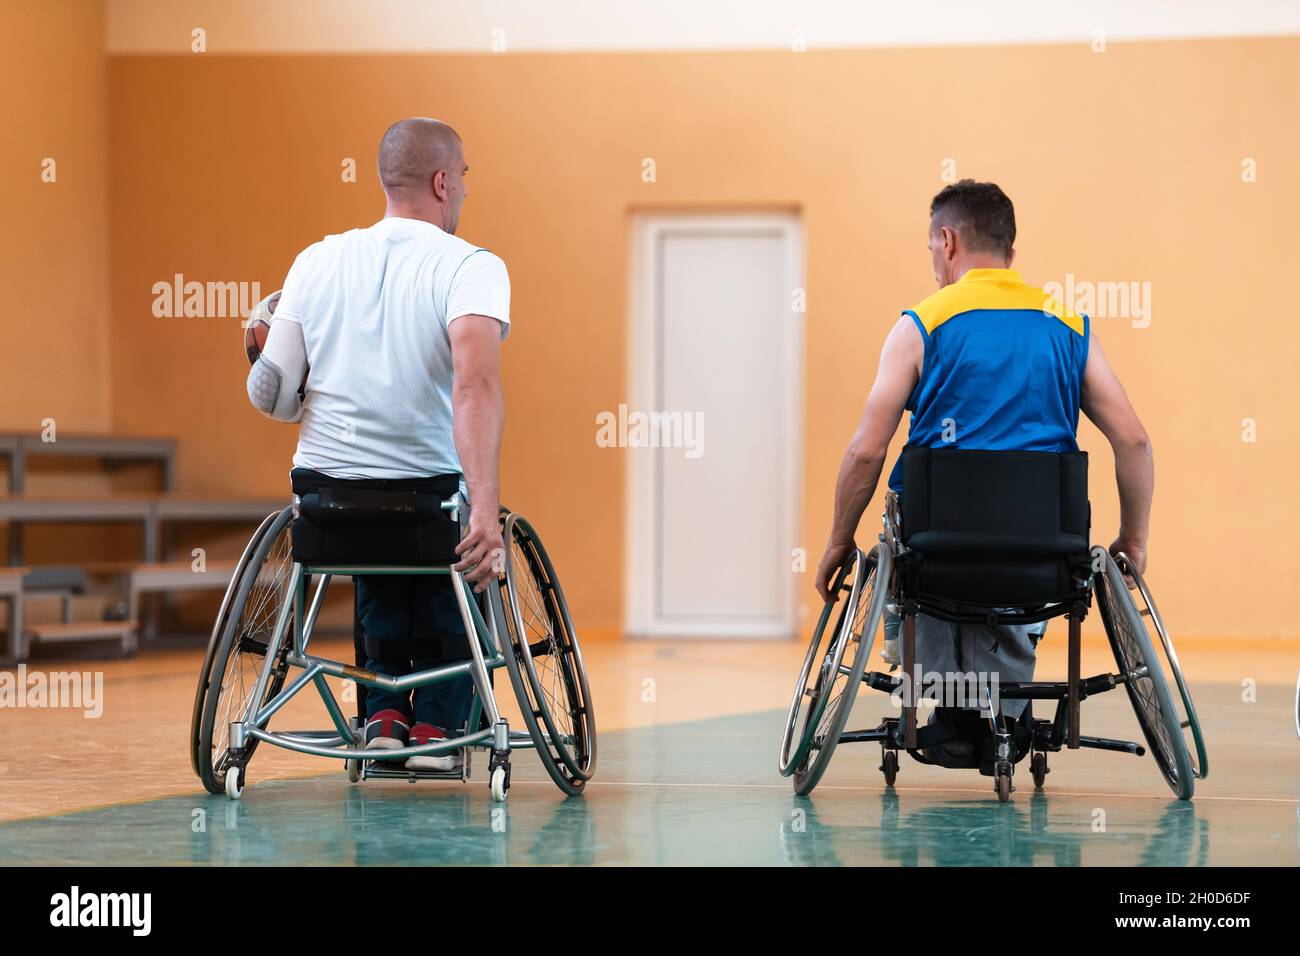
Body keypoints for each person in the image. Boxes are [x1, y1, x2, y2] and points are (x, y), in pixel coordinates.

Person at [814, 179, 1154, 761]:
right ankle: (1006, 710)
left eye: (930, 251)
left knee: (914, 537)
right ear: (1010, 255)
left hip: (935, 562)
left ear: (946, 242)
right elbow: (1134, 440)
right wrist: (1135, 540)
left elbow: (866, 453)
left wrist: (837, 541)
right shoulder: (1067, 323)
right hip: (1042, 563)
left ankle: (947, 708)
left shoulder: (921, 323)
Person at [245, 117, 509, 771]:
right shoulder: (472, 267)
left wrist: (258, 343)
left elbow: (273, 396)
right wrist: (487, 509)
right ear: (444, 182)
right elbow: (474, 389)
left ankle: (384, 715)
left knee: (370, 545)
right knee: (450, 547)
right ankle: (440, 730)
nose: (466, 192)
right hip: (427, 500)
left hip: (325, 504)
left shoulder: (315, 261)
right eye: (465, 179)